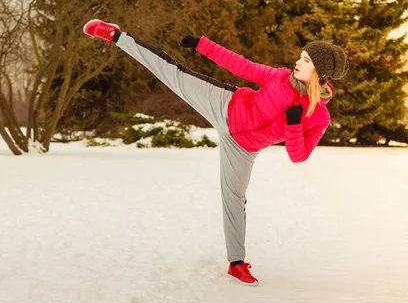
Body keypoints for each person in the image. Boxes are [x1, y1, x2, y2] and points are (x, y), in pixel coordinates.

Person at [83, 19, 349, 286]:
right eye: (301, 56)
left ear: (319, 72)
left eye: (306, 60)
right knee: (174, 73)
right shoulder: (279, 76)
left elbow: (298, 155)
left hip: (243, 149)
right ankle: (116, 36)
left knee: (234, 198)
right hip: (226, 106)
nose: (298, 62)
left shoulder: (318, 116)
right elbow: (240, 64)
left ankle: (236, 263)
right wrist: (202, 44)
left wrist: (293, 125)